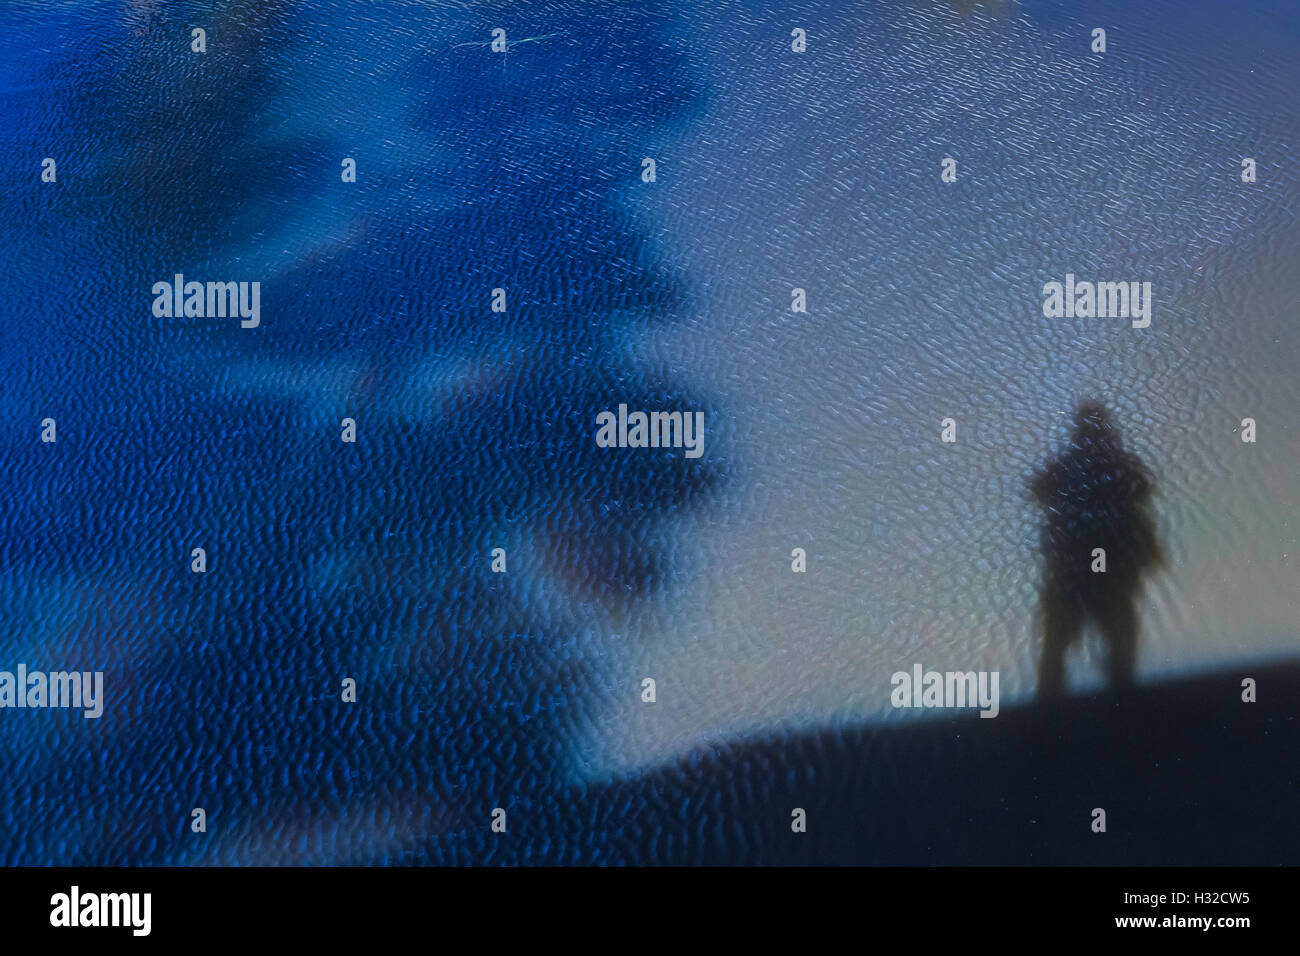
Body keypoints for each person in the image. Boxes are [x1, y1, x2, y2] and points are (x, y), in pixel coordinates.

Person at [1031, 401, 1166, 697]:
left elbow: (1038, 489)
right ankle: (1116, 686)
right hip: (1104, 562)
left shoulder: (1074, 463)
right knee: (1110, 627)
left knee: (1063, 633)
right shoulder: (1116, 463)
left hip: (1077, 563)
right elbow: (1142, 488)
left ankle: (1053, 697)